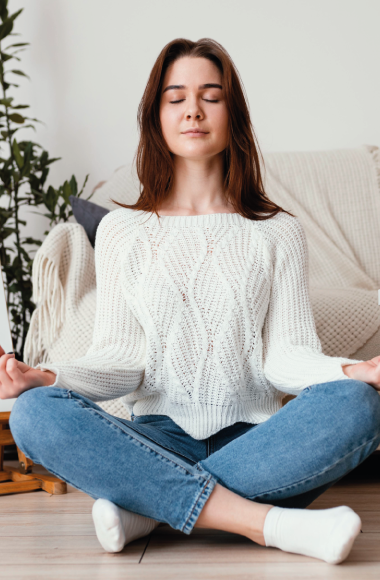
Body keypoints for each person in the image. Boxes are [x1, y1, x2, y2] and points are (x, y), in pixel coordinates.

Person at [2, 37, 380, 566]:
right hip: (154, 441)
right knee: (35, 414)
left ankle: (148, 509)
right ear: (155, 116)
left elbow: (286, 358)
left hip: (259, 447)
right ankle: (265, 522)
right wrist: (45, 377)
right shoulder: (122, 232)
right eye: (175, 97)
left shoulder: (277, 233)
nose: (193, 111)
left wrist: (350, 369)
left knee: (359, 403)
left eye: (211, 95)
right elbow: (120, 360)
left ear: (233, 114)